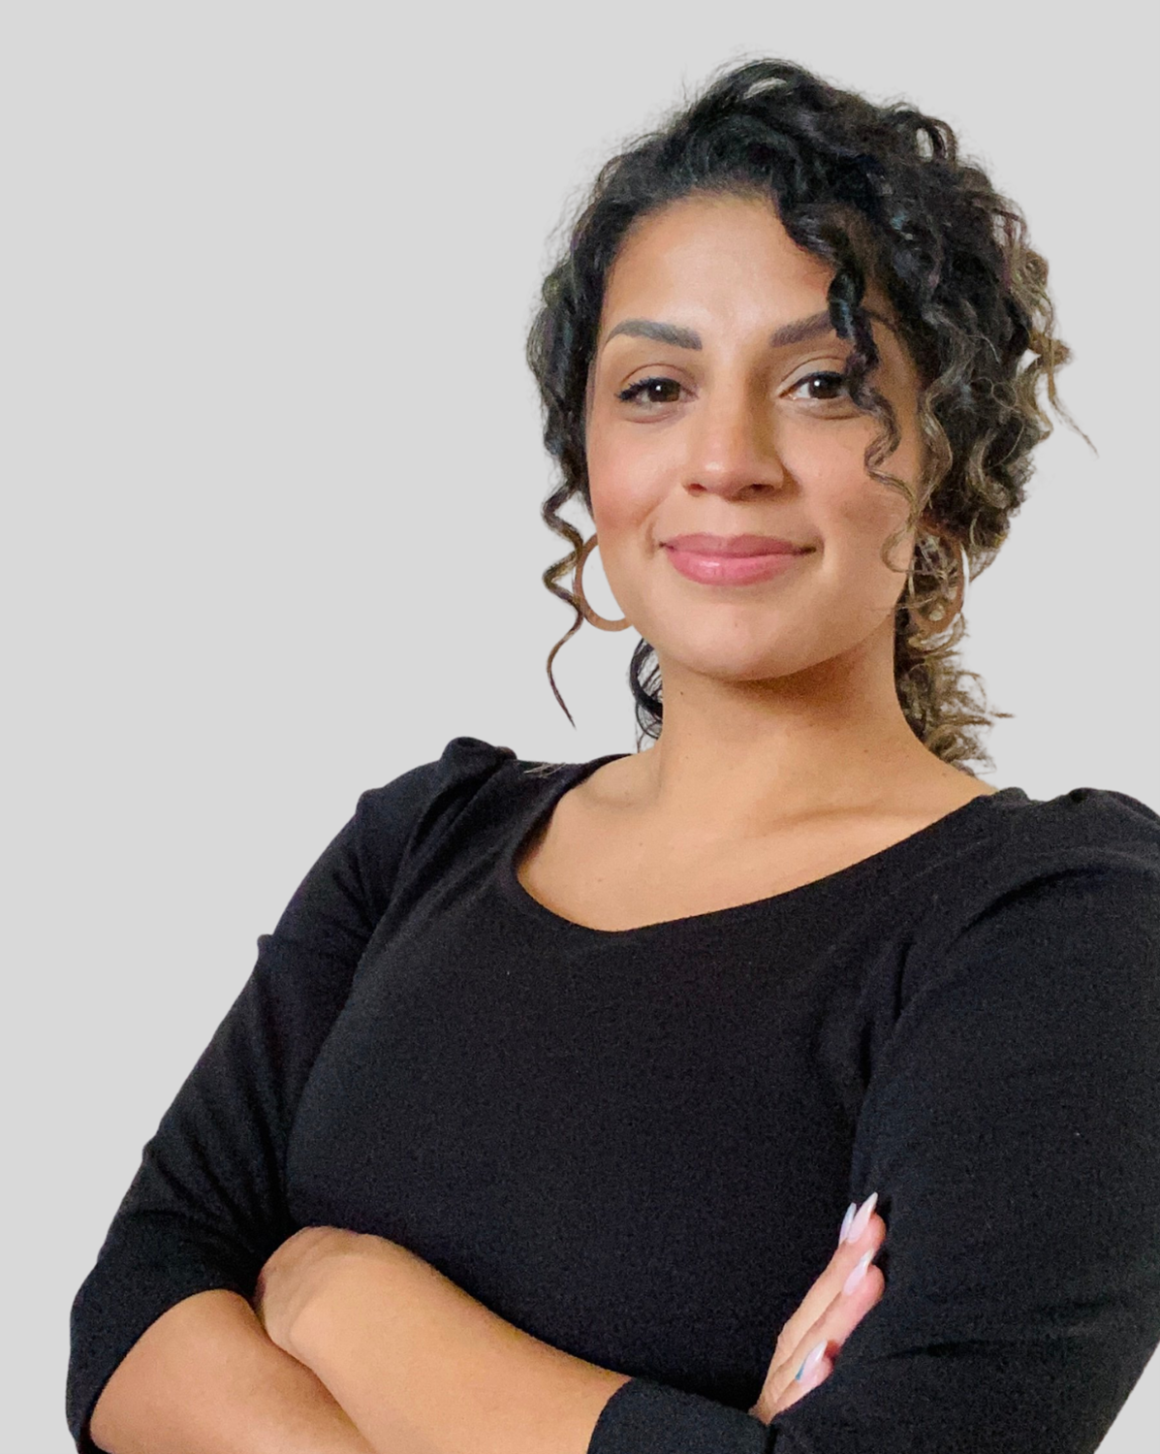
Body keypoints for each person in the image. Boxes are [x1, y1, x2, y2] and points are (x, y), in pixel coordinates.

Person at [67, 56, 1160, 1454]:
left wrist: (335, 1293)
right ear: (588, 461)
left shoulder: (1063, 925)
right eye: (655, 386)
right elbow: (127, 1323)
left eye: (824, 382)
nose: (726, 455)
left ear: (946, 459)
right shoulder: (423, 842)